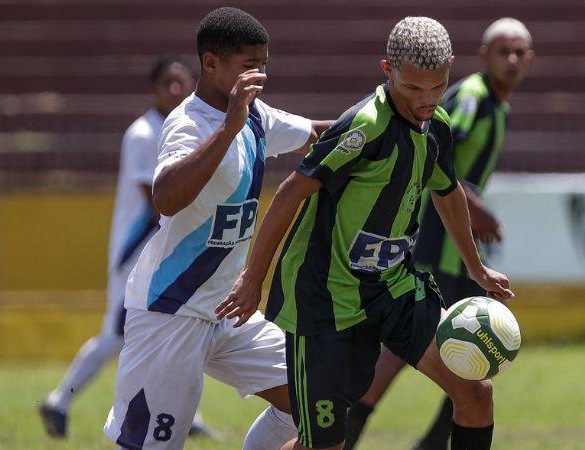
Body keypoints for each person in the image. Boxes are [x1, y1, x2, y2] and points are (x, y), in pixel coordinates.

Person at [217, 17, 515, 450]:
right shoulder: (364, 126)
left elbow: (447, 191)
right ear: (387, 69)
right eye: (413, 88)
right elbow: (289, 193)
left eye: (437, 87)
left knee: (475, 392)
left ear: (450, 67)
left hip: (393, 287)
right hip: (325, 300)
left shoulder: (437, 125)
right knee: (323, 445)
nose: (427, 99)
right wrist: (251, 279)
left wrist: (476, 268)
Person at [102, 7, 331, 450]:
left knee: (317, 396)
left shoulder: (256, 115)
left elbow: (318, 133)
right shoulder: (188, 123)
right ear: (211, 63)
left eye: (263, 64)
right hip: (171, 310)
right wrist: (229, 127)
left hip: (226, 310)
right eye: (249, 65)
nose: (260, 75)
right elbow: (165, 197)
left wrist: (385, 119)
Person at [342, 18, 535, 450]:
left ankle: (432, 442)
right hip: (436, 242)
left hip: (460, 250)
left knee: (479, 349)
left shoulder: (498, 106)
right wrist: (475, 208)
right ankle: (346, 432)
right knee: (405, 348)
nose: (512, 60)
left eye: (520, 53)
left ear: (530, 59)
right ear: (483, 56)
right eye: (503, 51)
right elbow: (437, 158)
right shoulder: (470, 97)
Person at [39, 55, 214, 439]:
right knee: (118, 334)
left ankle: (187, 415)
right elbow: (158, 199)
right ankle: (60, 400)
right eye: (168, 82)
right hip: (136, 254)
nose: (176, 89)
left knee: (170, 327)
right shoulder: (143, 134)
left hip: (161, 251)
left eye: (182, 81)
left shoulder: (182, 128)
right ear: (153, 89)